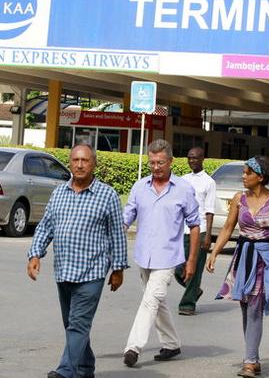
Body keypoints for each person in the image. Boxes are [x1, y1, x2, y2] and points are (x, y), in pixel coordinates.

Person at [28, 144, 128, 378]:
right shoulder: (59, 193)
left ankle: (66, 371)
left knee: (78, 325)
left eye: (85, 160)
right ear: (70, 163)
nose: (80, 165)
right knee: (72, 325)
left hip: (92, 273)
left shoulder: (107, 195)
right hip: (63, 271)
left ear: (94, 164)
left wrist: (118, 269)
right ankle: (85, 367)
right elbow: (46, 226)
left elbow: (117, 234)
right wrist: (35, 254)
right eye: (75, 160)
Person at [207, 156, 269, 378]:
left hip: (266, 258)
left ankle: (249, 361)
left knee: (255, 307)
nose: (243, 176)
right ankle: (253, 355)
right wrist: (214, 253)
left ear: (260, 177)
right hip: (243, 256)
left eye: (247, 173)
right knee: (246, 307)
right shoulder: (238, 199)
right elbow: (227, 228)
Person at [122, 139, 201, 367]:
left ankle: (133, 348)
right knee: (157, 301)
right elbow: (127, 216)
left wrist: (192, 260)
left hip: (168, 257)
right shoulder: (140, 187)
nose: (156, 167)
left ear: (170, 162)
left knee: (150, 300)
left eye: (160, 163)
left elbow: (195, 225)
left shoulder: (183, 189)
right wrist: (117, 229)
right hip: (144, 255)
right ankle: (171, 343)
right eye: (152, 163)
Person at [175, 147, 217, 316]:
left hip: (200, 230)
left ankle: (188, 304)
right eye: (189, 157)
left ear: (202, 159)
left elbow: (210, 210)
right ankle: (194, 290)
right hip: (182, 230)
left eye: (195, 158)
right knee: (178, 268)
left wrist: (208, 237)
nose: (192, 161)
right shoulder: (183, 180)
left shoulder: (209, 182)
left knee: (195, 268)